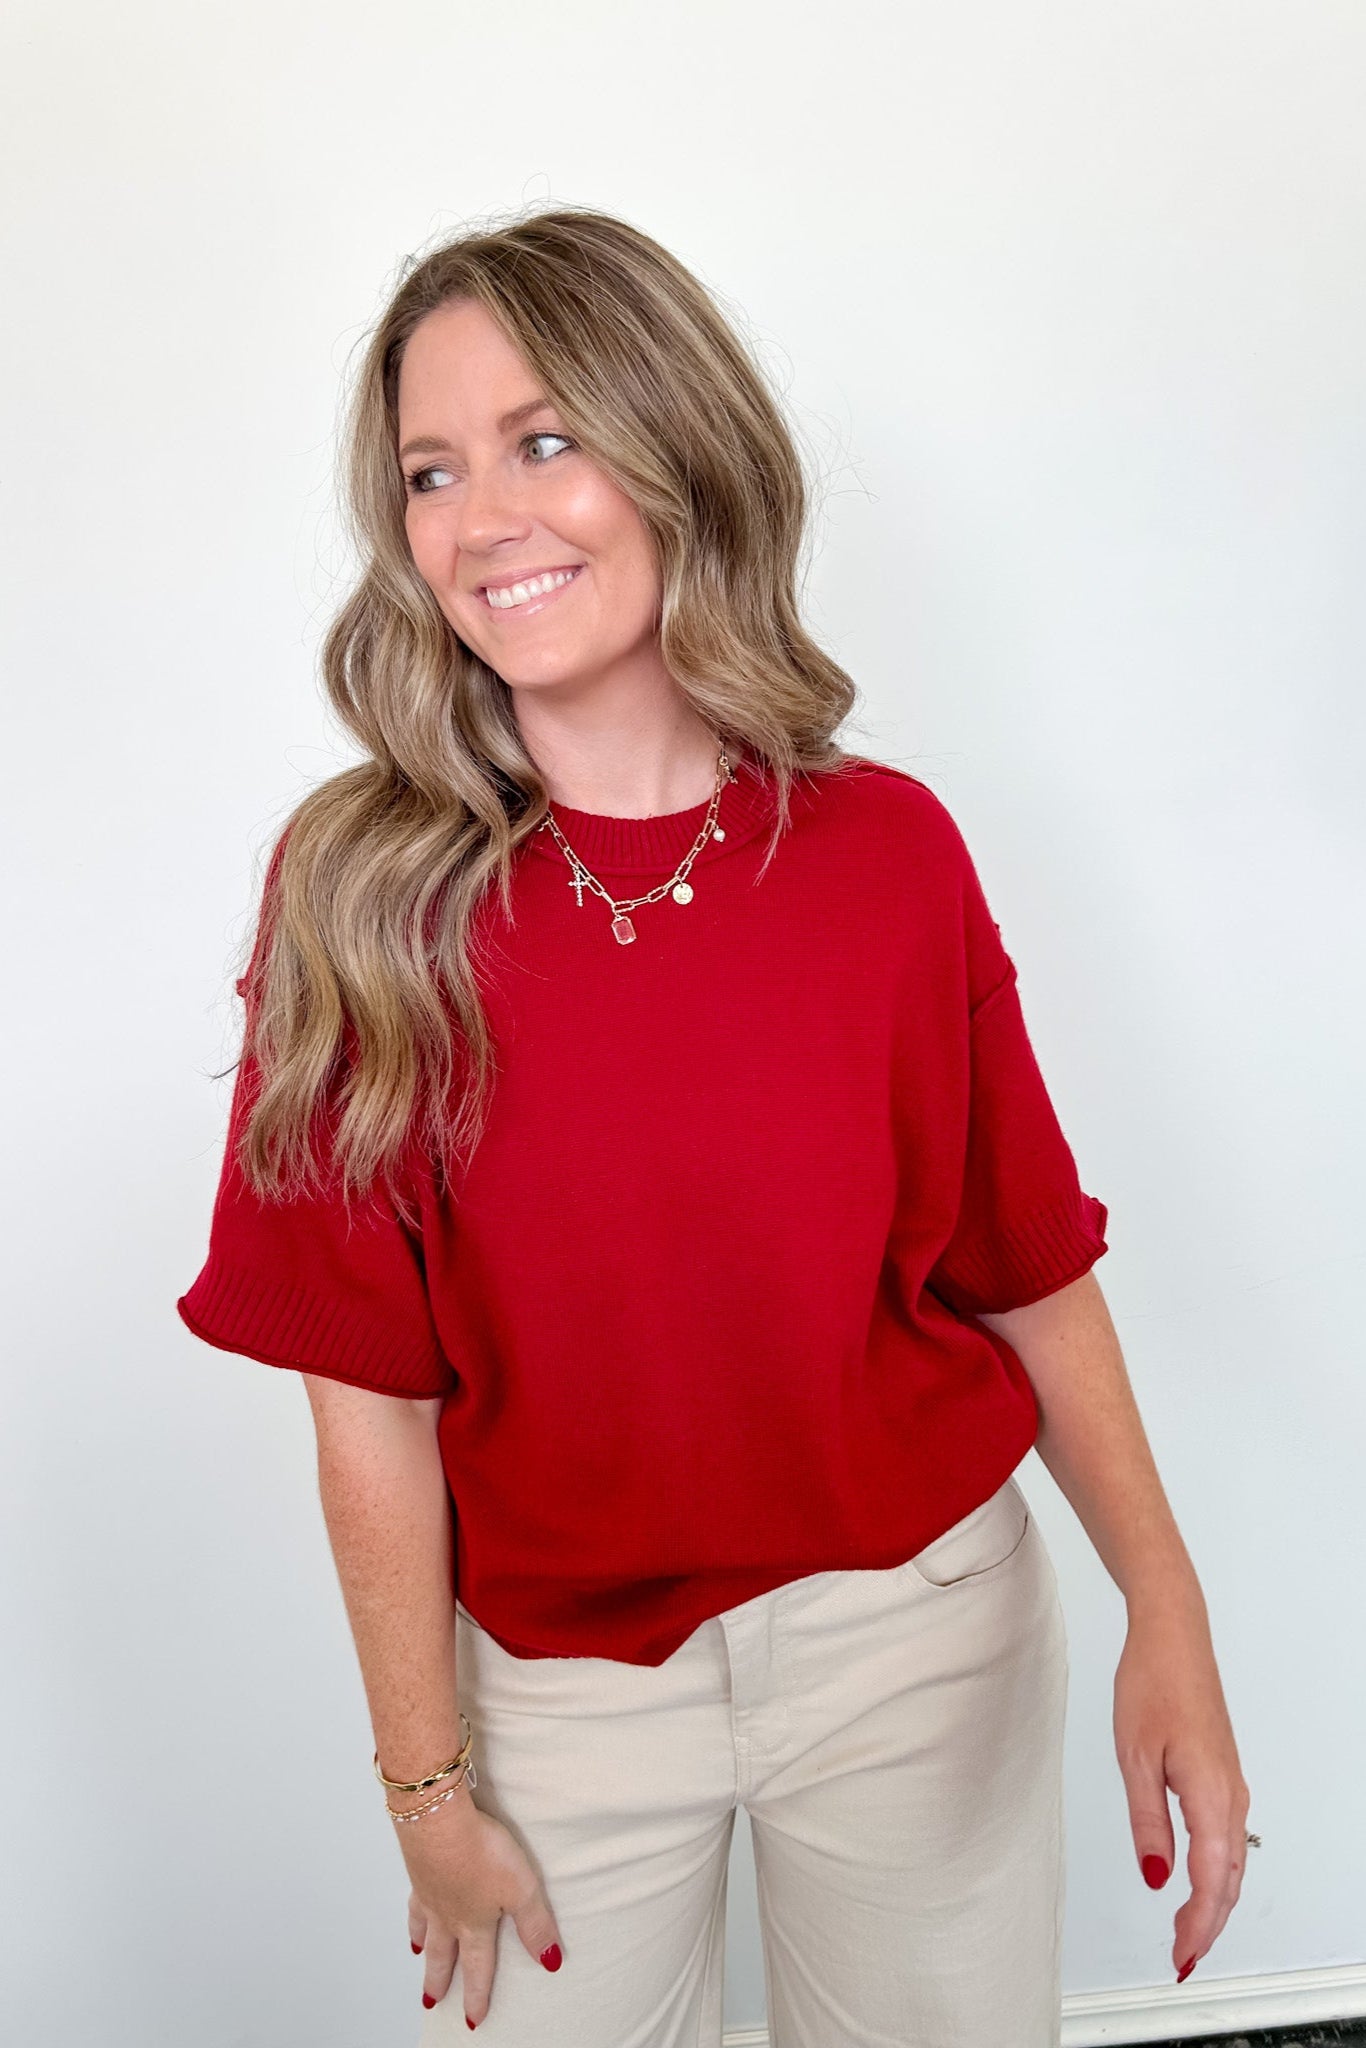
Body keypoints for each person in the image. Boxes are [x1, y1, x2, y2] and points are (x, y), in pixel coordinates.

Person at [176, 206, 1252, 2046]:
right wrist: (425, 1792)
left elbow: (1022, 1262)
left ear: (678, 450)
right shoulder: (361, 894)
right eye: (432, 472)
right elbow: (368, 1395)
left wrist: (1171, 1614)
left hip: (921, 1639)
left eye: (544, 440)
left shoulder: (884, 853)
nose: (482, 518)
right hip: (554, 1700)